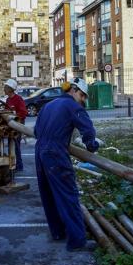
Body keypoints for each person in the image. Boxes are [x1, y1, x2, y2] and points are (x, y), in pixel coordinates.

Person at [34, 78, 102, 251]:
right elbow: (87, 130)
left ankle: (58, 232)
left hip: (40, 152)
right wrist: (92, 146)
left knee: (49, 194)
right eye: (82, 95)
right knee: (68, 195)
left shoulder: (48, 105)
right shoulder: (73, 106)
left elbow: (35, 131)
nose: (83, 100)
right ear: (73, 90)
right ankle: (77, 241)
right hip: (55, 154)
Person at [3, 79, 27, 172]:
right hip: (11, 126)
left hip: (17, 126)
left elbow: (24, 112)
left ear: (10, 89)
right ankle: (12, 164)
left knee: (16, 145)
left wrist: (15, 117)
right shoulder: (8, 99)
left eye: (5, 87)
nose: (4, 89)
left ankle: (19, 166)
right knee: (11, 145)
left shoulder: (18, 99)